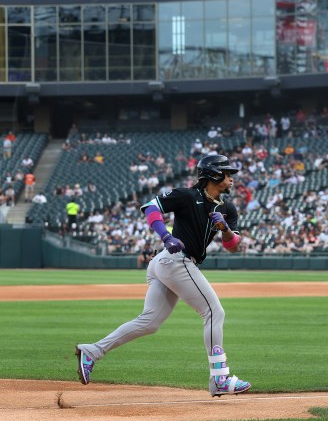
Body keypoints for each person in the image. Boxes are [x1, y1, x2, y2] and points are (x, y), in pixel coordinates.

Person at [75, 154, 251, 397]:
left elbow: (233, 245)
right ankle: (220, 378)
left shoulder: (227, 208)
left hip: (170, 263)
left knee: (149, 322)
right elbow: (150, 208)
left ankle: (92, 351)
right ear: (213, 174)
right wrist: (166, 236)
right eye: (227, 174)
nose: (231, 179)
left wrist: (226, 229)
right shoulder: (188, 195)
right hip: (174, 259)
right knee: (213, 312)